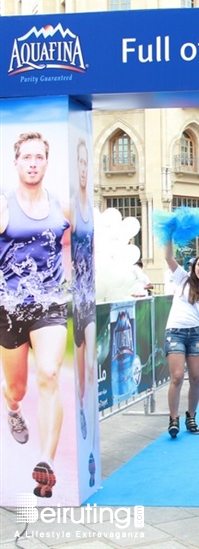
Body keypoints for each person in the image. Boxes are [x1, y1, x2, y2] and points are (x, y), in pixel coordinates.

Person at [0, 132, 70, 498]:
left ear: (46, 161)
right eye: (26, 157)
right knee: (18, 388)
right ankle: (12, 408)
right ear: (15, 162)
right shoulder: (4, 204)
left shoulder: (60, 205)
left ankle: (46, 461)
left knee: (49, 373)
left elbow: (77, 245)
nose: (32, 163)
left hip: (50, 304)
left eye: (38, 157)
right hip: (10, 309)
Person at [164, 242, 199, 438]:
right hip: (175, 333)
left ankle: (191, 416)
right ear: (193, 267)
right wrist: (168, 236)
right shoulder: (182, 279)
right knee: (177, 377)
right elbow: (169, 258)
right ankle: (173, 418)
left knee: (195, 378)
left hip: (195, 335)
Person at [70, 138, 97, 487]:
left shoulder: (90, 204)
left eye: (85, 162)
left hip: (88, 295)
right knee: (79, 371)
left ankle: (85, 417)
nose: (82, 167)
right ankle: (80, 412)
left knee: (90, 366)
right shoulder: (70, 207)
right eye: (78, 162)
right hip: (74, 297)